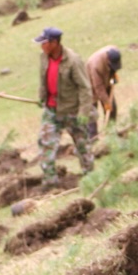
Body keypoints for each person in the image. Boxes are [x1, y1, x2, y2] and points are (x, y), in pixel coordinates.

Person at [35, 26, 94, 187]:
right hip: (51, 111)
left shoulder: (73, 60)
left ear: (54, 43)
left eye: (44, 43)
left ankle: (91, 177)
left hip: (72, 111)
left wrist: (84, 112)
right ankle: (50, 181)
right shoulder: (44, 57)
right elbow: (44, 79)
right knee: (45, 143)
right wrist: (42, 96)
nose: (42, 46)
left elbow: (85, 87)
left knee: (83, 146)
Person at [87, 45, 122, 130]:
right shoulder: (96, 65)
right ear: (108, 61)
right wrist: (107, 102)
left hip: (106, 82)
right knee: (92, 113)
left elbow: (113, 70)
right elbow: (98, 88)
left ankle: (111, 132)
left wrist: (113, 79)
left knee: (112, 108)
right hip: (90, 87)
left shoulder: (115, 52)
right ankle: (93, 138)